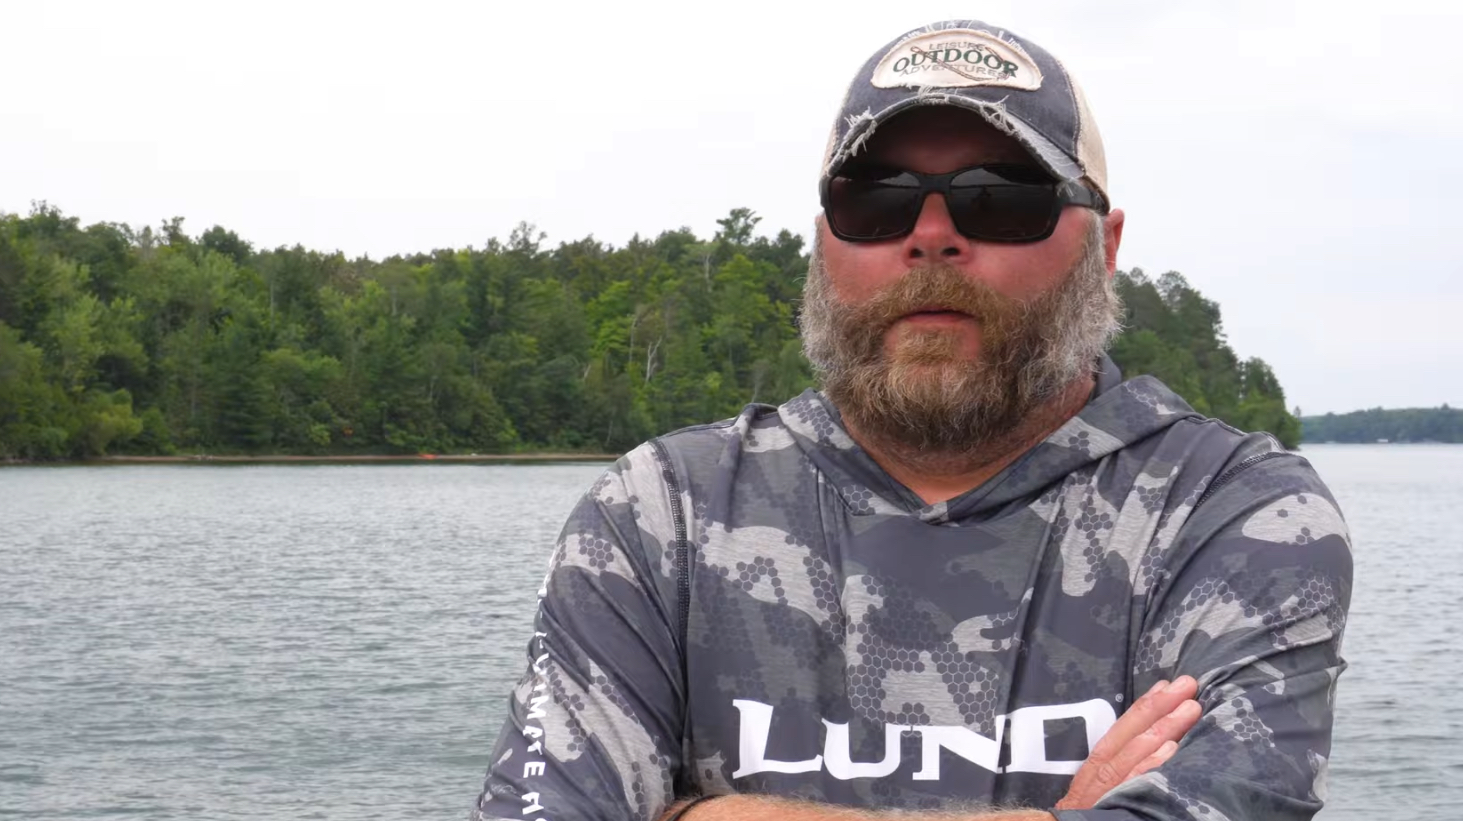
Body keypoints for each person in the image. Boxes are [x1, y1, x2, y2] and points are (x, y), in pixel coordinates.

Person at [472, 18, 1351, 821]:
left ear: (1105, 246)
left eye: (999, 198)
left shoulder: (1227, 512)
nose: (930, 235)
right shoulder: (659, 512)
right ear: (826, 239)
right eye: (877, 199)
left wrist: (710, 814)